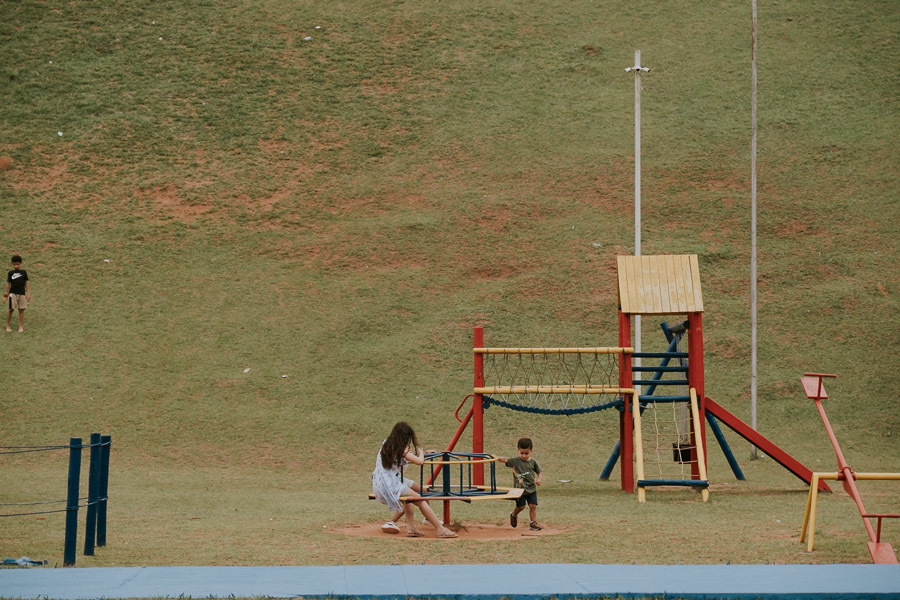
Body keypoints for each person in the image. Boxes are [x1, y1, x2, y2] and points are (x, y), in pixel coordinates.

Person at [372, 421, 457, 538]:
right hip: (392, 483)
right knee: (420, 499)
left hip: (381, 482)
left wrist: (423, 454)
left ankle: (411, 528)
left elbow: (407, 459)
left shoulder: (386, 444)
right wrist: (421, 453)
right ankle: (440, 529)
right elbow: (419, 462)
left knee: (409, 500)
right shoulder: (402, 449)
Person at [496, 437, 543, 531]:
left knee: (532, 505)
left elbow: (539, 471)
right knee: (521, 506)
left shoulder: (533, 462)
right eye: (521, 453)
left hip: (531, 489)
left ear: (531, 451)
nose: (524, 456)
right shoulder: (516, 460)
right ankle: (513, 515)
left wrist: (539, 479)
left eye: (526, 453)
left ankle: (533, 523)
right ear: (518, 451)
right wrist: (496, 457)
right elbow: (505, 460)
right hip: (520, 490)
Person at [5, 255, 30, 333]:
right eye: (14, 264)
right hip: (13, 293)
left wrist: (28, 293)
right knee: (11, 309)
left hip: (22, 293)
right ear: (12, 264)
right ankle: (8, 326)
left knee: (21, 310)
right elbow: (8, 284)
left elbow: (26, 283)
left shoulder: (23, 272)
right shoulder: (10, 273)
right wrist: (5, 295)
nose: (15, 266)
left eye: (17, 264)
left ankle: (21, 326)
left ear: (20, 264)